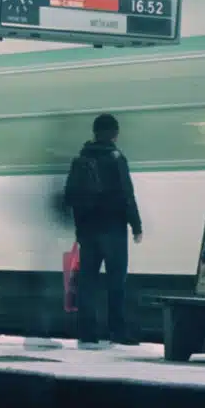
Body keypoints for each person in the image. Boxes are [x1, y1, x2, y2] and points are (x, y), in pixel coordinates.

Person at [65, 113, 143, 349]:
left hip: (88, 231)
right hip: (113, 229)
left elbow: (70, 196)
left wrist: (80, 229)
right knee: (116, 282)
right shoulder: (116, 158)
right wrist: (136, 225)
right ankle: (117, 331)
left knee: (88, 282)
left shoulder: (80, 159)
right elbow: (127, 194)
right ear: (114, 134)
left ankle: (87, 332)